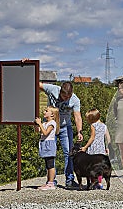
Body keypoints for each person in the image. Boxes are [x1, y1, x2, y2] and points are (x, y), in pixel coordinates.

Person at [22, 58, 83, 188]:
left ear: (71, 95)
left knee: (68, 153)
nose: (64, 99)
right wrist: (27, 66)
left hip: (65, 127)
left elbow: (77, 116)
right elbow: (36, 83)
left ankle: (69, 180)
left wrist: (79, 131)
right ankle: (51, 181)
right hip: (50, 125)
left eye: (67, 98)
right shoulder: (52, 89)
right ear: (60, 91)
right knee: (49, 152)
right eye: (62, 96)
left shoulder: (75, 100)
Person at [81, 108, 111, 189]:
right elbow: (108, 138)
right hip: (101, 148)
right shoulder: (104, 126)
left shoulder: (93, 126)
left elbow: (92, 138)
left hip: (94, 148)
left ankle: (93, 182)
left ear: (91, 119)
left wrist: (85, 147)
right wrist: (107, 147)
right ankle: (99, 183)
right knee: (100, 167)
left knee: (92, 166)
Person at [35, 106, 60, 190]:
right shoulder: (45, 123)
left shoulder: (52, 123)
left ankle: (51, 183)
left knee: (50, 164)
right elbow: (38, 131)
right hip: (44, 144)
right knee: (47, 165)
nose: (44, 112)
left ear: (52, 114)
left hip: (49, 145)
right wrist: (37, 125)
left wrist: (40, 124)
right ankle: (48, 181)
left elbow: (45, 133)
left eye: (46, 111)